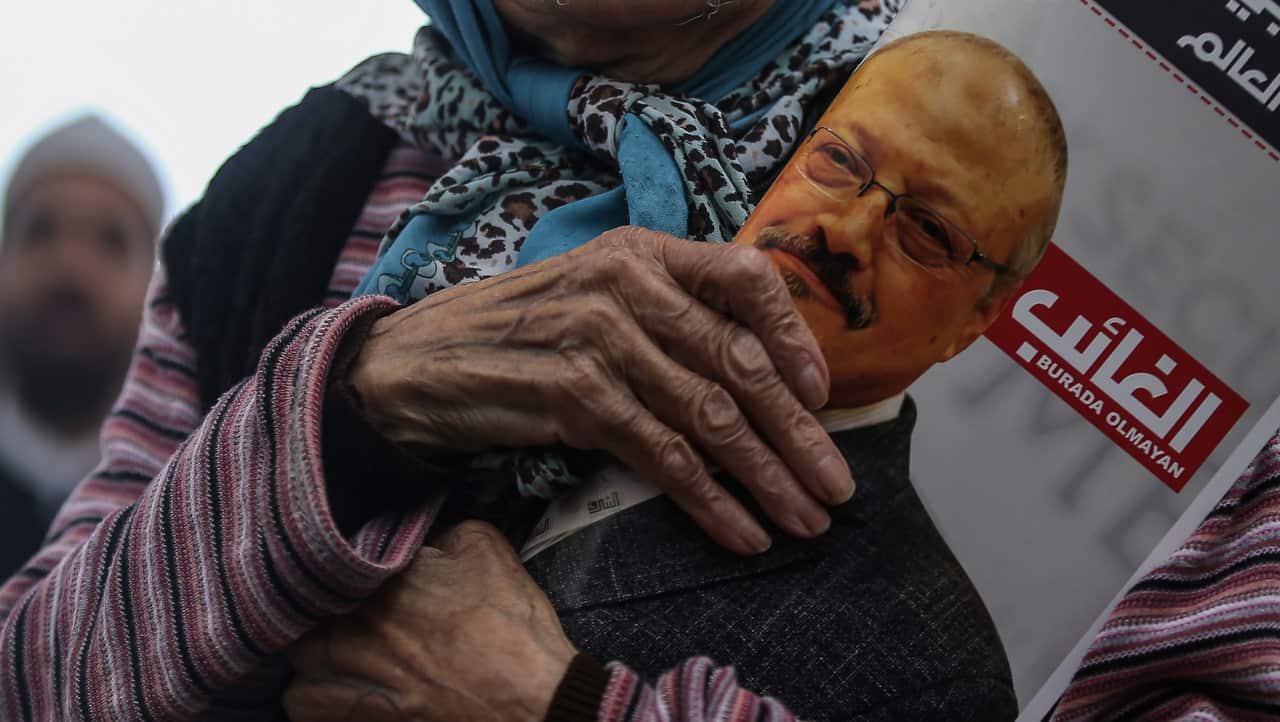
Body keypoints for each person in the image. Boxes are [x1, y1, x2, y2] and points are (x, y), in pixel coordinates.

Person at [283, 28, 1069, 722]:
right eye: (838, 162)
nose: (846, 229)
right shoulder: (513, 277)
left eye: (927, 230)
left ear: (978, 322)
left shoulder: (935, 669)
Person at [0, 115, 164, 579]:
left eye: (111, 242)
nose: (71, 268)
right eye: (41, 231)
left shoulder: (180, 499)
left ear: (153, 290)